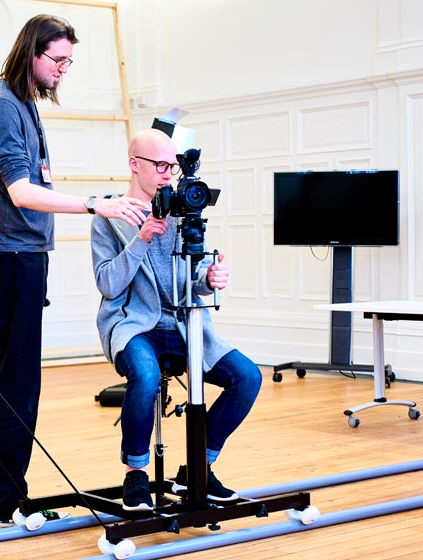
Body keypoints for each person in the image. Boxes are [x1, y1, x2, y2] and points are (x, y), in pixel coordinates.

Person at [0, 14, 150, 529]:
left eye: (68, 62)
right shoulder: (2, 107)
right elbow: (20, 191)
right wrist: (95, 205)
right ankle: (8, 503)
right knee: (16, 380)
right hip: (9, 257)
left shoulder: (18, 104)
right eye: (57, 60)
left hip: (12, 255)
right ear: (31, 53)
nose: (63, 70)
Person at [90, 128, 263, 511]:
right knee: (147, 376)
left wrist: (210, 278)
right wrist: (143, 239)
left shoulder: (186, 209)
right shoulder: (111, 215)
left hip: (185, 327)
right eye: (162, 165)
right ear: (135, 165)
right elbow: (107, 283)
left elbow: (194, 278)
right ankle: (136, 474)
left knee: (247, 377)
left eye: (175, 165)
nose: (170, 174)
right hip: (133, 325)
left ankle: (199, 467)